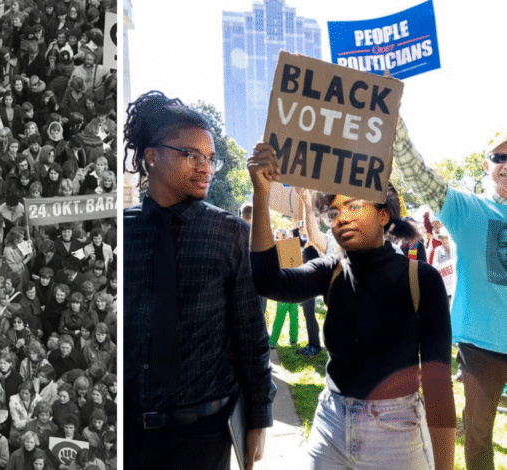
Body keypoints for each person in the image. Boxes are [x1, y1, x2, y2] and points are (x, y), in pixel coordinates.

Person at [247, 142, 455, 469]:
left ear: (383, 214)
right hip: (331, 423)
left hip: (397, 432)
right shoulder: (330, 271)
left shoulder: (422, 280)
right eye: (333, 212)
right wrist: (261, 194)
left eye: (353, 206)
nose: (341, 218)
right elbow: (268, 282)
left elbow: (439, 384)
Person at [122, 90, 274, 470]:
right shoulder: (119, 234)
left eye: (210, 158)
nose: (205, 167)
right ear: (152, 156)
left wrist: (259, 416)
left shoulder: (230, 234)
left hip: (204, 437)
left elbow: (251, 334)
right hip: (128, 436)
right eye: (192, 155)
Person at [393, 118, 507, 468]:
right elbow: (419, 176)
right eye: (499, 157)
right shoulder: (465, 209)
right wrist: (396, 128)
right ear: (486, 165)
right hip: (482, 347)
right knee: (478, 437)